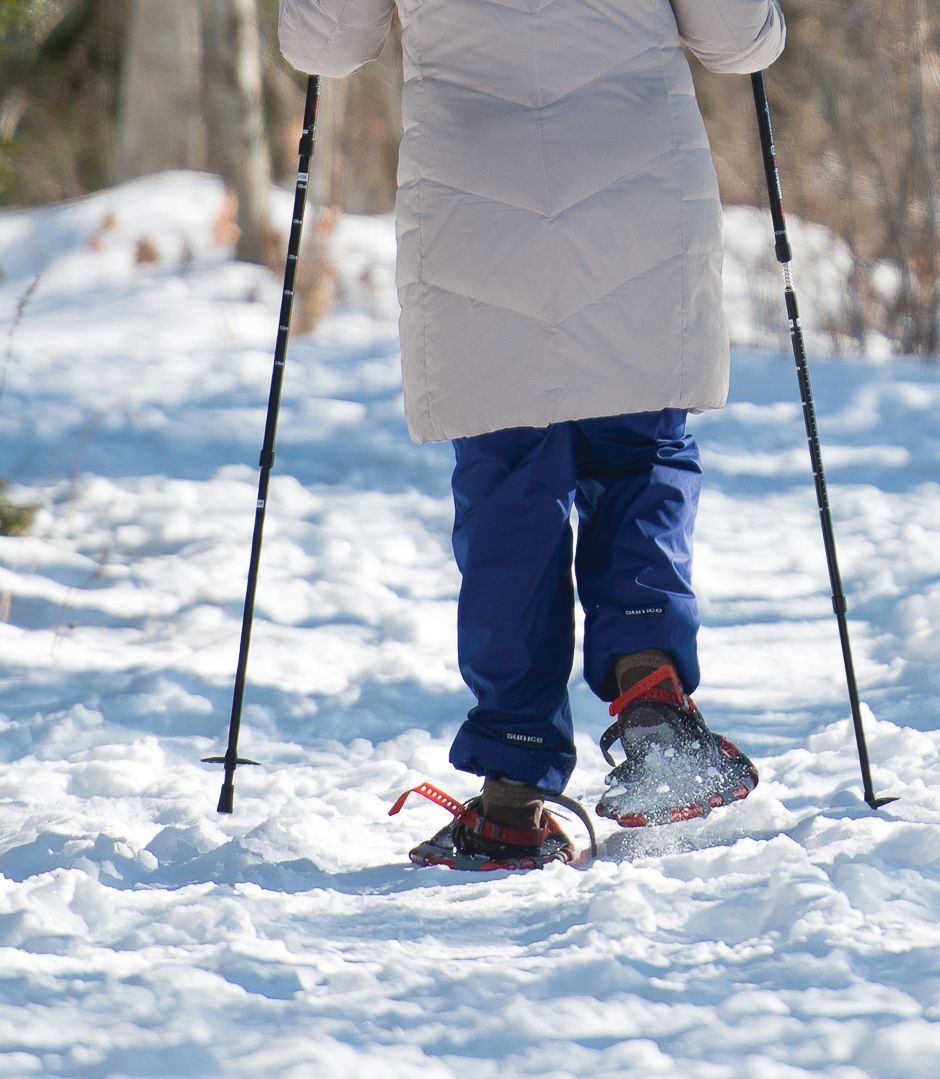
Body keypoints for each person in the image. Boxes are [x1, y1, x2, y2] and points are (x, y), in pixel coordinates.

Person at [278, 0, 786, 868]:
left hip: (475, 206)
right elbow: (740, 40)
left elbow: (325, 41)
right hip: (637, 187)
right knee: (640, 451)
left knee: (510, 485)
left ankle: (511, 792)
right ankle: (651, 690)